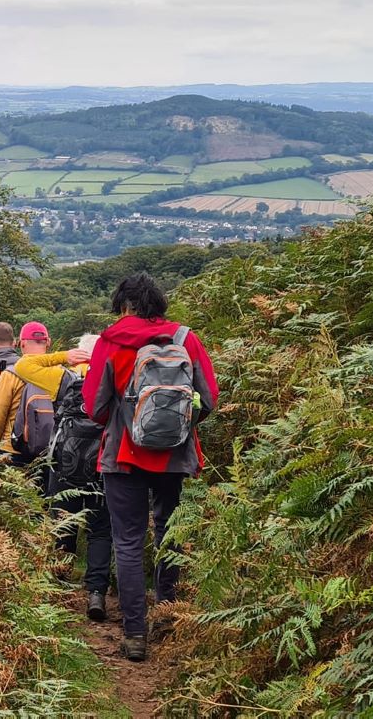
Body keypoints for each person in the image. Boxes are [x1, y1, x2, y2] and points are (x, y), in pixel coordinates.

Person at [82, 273, 217, 662]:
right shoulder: (185, 339)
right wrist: (178, 428)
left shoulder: (111, 341)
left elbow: (94, 407)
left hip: (123, 455)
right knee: (168, 533)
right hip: (175, 455)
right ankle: (168, 616)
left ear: (123, 305)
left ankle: (136, 634)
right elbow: (209, 397)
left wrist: (127, 419)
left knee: (127, 540)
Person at [17, 334, 108, 621]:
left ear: (80, 353)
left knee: (62, 522)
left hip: (64, 465)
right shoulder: (112, 378)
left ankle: (59, 586)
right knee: (100, 530)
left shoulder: (64, 378)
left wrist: (62, 356)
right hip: (102, 466)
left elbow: (23, 366)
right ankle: (96, 593)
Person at [0, 322, 52, 466]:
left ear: (21, 344)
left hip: (12, 450)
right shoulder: (61, 373)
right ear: (48, 343)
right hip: (49, 452)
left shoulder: (11, 374)